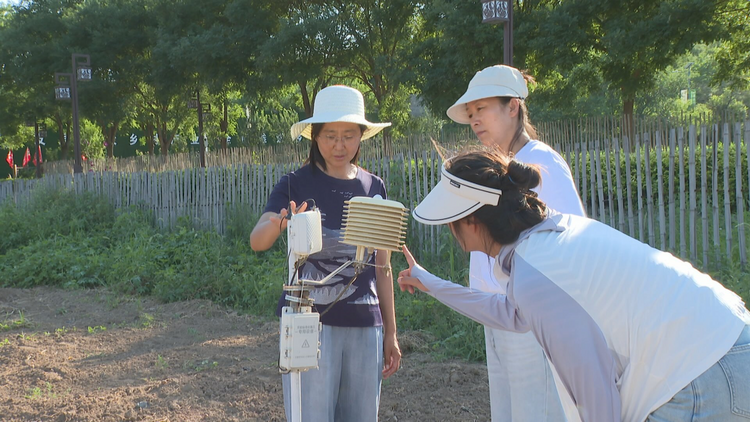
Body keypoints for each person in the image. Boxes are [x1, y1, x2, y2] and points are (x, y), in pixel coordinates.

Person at [397, 149, 750, 422]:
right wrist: (432, 283)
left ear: (470, 222)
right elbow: (513, 313)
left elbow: (595, 393)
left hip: (699, 377)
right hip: (727, 348)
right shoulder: (548, 240)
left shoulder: (537, 274)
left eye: (451, 222)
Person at [250, 85, 401, 422]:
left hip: (366, 327)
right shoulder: (295, 184)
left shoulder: (373, 188)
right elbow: (257, 240)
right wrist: (279, 222)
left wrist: (390, 332)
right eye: (330, 135)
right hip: (308, 324)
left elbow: (383, 267)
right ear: (315, 137)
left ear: (361, 137)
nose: (339, 144)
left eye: (349, 135)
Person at [446, 64, 584, 421]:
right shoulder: (492, 169)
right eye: (471, 114)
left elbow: (572, 239)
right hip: (497, 316)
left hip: (531, 322)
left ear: (514, 107)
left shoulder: (540, 162)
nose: (475, 121)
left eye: (483, 109)